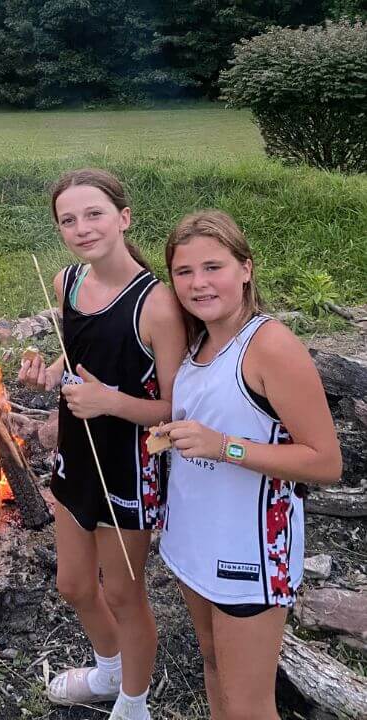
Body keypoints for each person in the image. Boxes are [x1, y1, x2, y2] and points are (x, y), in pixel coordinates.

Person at [157, 210, 342, 720]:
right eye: (184, 272)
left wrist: (225, 446)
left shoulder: (269, 345)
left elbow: (325, 461)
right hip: (192, 540)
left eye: (213, 267)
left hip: (251, 553)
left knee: (250, 705)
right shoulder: (197, 341)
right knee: (214, 668)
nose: (198, 283)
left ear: (245, 269)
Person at [19, 168, 186, 720]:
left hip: (129, 466)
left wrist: (109, 401)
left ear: (123, 217)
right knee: (72, 583)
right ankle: (110, 671)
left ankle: (134, 703)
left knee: (122, 593)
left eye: (94, 214)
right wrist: (50, 378)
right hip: (75, 453)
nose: (82, 227)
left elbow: (177, 411)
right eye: (68, 219)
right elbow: (78, 373)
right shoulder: (68, 282)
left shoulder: (156, 304)